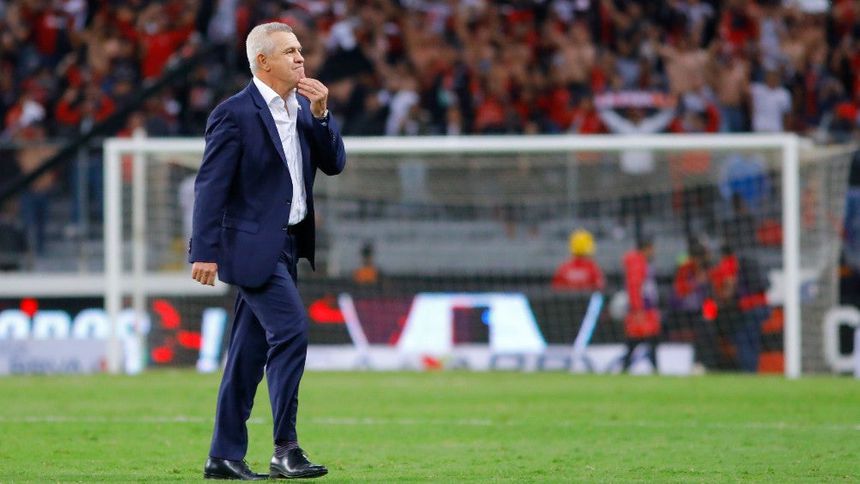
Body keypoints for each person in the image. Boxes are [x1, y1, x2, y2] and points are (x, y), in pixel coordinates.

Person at [189, 22, 345, 480]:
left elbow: (334, 163)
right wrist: (204, 250)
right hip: (250, 247)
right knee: (291, 330)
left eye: (300, 50)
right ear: (263, 61)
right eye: (290, 51)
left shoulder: (302, 109)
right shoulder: (234, 113)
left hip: (289, 244)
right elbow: (210, 187)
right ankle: (285, 448)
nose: (301, 58)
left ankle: (222, 456)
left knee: (245, 356)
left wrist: (321, 115)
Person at [620, 237, 661, 372]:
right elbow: (634, 286)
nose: (653, 252)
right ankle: (628, 366)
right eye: (652, 249)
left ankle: (652, 367)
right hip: (642, 309)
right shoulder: (637, 263)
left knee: (645, 339)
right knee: (639, 339)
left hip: (645, 308)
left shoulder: (642, 262)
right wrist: (637, 309)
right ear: (646, 248)